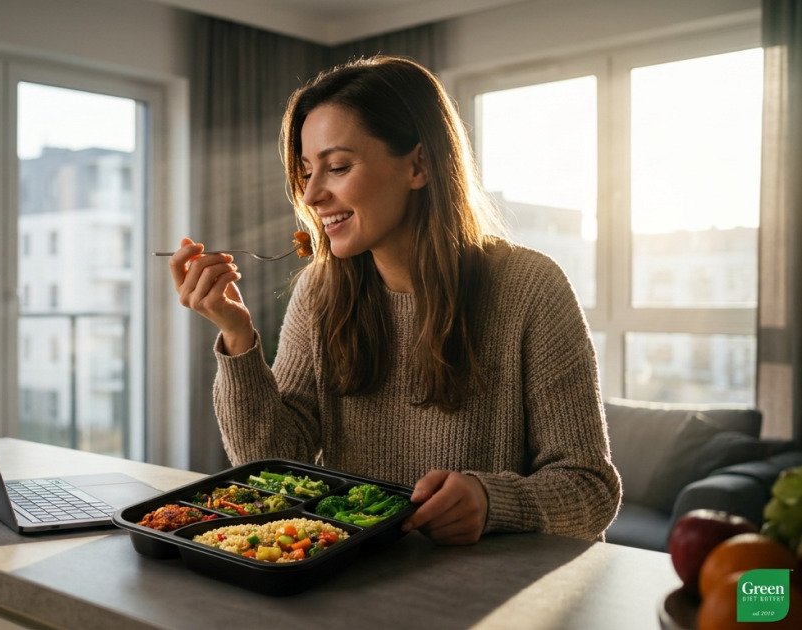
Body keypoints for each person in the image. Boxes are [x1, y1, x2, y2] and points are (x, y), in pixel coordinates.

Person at [167, 55, 621, 545]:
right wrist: (236, 335)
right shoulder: (319, 292)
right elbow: (273, 464)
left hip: (496, 584)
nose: (312, 195)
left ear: (418, 166)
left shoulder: (531, 287)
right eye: (306, 171)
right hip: (358, 572)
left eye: (337, 167)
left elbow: (590, 489)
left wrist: (493, 502)